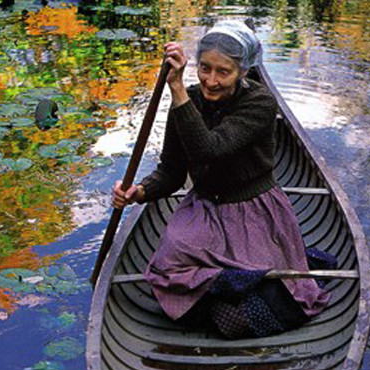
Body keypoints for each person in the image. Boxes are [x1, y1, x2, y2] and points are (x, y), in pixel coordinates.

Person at [112, 20, 331, 339]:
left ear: (243, 72)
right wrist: (139, 192)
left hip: (253, 212)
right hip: (204, 208)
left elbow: (210, 150)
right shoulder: (188, 101)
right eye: (204, 68)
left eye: (223, 72)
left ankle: (227, 302)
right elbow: (172, 171)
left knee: (273, 287)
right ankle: (222, 301)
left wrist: (177, 93)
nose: (210, 81)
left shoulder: (259, 103)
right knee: (166, 271)